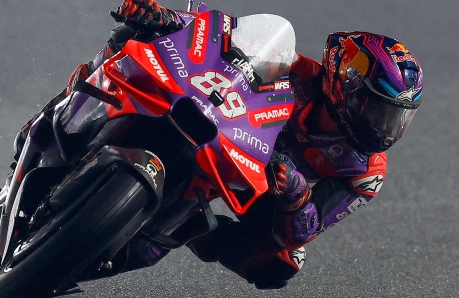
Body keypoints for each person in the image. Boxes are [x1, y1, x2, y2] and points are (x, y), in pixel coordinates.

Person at [25, 0, 423, 289]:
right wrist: (164, 18)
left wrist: (296, 194)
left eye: (396, 117)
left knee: (282, 263)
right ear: (345, 83)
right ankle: (58, 115)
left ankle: (180, 231)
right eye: (378, 110)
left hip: (250, 185)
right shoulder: (296, 70)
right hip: (218, 130)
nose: (385, 128)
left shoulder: (364, 171)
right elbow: (220, 32)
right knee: (130, 35)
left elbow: (305, 230)